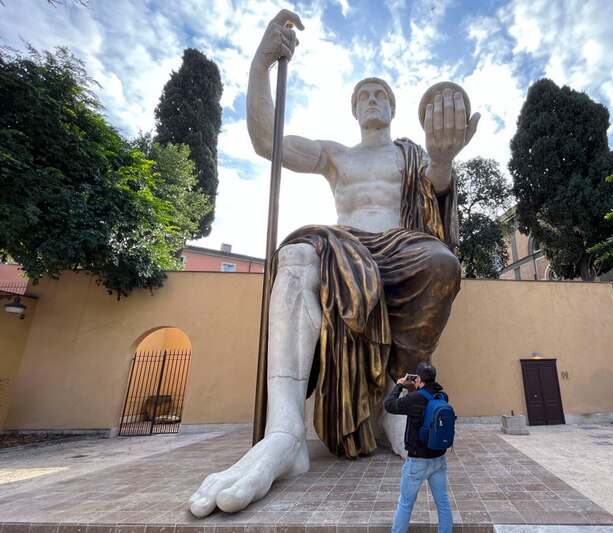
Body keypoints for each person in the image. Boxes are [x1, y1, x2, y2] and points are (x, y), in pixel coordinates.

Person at [188, 8, 479, 518]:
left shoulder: (409, 155)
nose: (371, 100)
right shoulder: (336, 154)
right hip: (342, 245)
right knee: (296, 253)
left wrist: (441, 159)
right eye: (362, 95)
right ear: (353, 109)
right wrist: (261, 63)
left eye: (380, 94)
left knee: (441, 263)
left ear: (392, 106)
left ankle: (400, 401)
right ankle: (283, 435)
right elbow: (266, 142)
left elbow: (435, 193)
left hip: (400, 245)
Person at [384, 363, 453, 533]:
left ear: (419, 379)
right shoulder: (443, 396)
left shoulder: (415, 399)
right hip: (438, 460)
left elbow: (389, 405)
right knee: (442, 502)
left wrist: (400, 384)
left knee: (406, 503)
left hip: (417, 462)